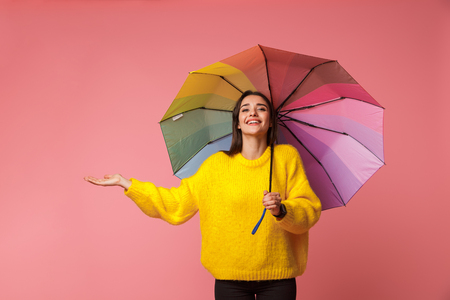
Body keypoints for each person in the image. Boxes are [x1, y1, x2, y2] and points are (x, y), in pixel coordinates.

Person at [84, 90, 322, 300]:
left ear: (270, 122)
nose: (254, 113)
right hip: (230, 281)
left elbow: (309, 209)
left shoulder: (286, 157)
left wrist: (282, 210)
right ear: (238, 122)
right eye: (245, 109)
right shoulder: (215, 165)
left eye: (262, 108)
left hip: (278, 279)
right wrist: (128, 184)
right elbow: (177, 203)